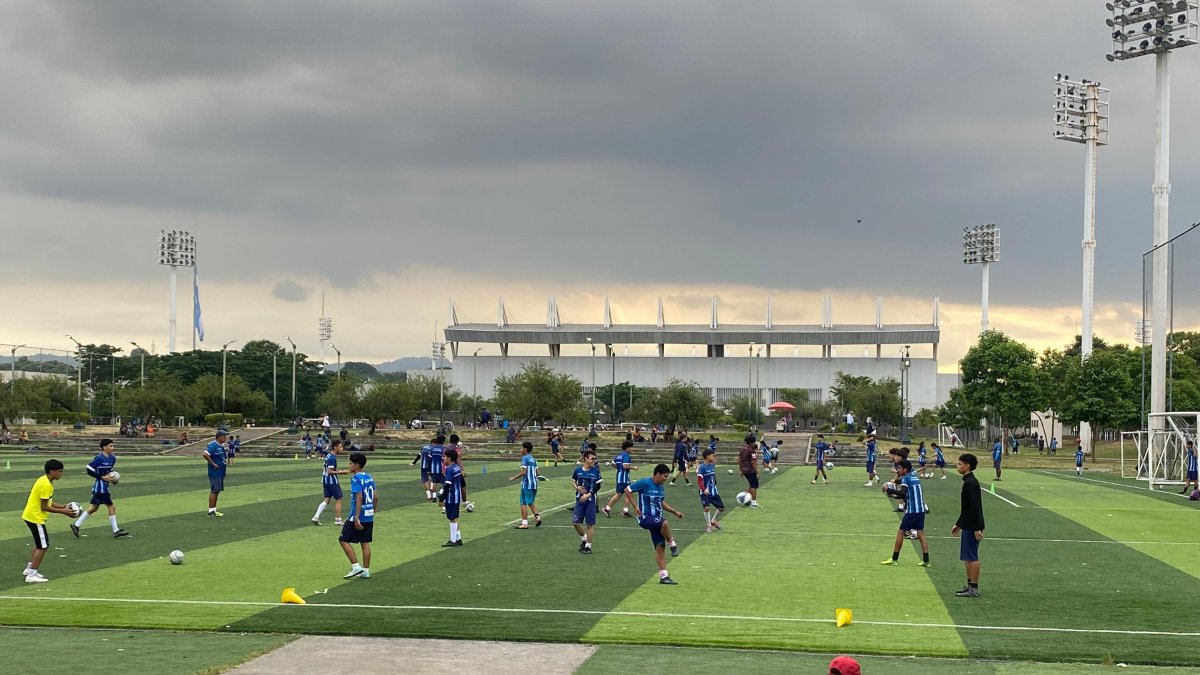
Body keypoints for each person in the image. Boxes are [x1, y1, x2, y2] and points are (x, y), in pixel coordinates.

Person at [626, 463, 684, 585]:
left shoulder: (661, 487)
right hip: (645, 518)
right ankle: (672, 544)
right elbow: (627, 490)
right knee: (665, 523)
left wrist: (675, 512)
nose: (666, 479)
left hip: (656, 520)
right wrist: (635, 506)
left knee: (660, 547)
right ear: (657, 474)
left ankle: (664, 576)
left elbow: (661, 503)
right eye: (665, 476)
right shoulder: (645, 483)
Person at [22, 459, 77, 583]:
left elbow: (47, 502)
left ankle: (29, 569)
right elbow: (44, 507)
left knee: (39, 544)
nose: (61, 474)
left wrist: (62, 506)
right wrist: (64, 512)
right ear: (52, 471)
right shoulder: (46, 485)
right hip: (35, 517)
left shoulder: (44, 480)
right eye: (60, 471)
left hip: (30, 515)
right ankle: (31, 575)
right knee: (43, 546)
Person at [71, 439, 129, 538]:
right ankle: (116, 530)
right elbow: (89, 470)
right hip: (100, 488)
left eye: (113, 446)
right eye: (110, 446)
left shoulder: (112, 458)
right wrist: (102, 477)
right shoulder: (99, 458)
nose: (112, 448)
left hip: (104, 486)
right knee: (111, 507)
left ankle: (76, 525)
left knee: (94, 507)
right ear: (104, 447)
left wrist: (113, 480)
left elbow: (110, 471)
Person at [881, 460, 930, 567]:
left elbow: (903, 492)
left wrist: (889, 490)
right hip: (921, 509)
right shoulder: (913, 476)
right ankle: (926, 561)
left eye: (899, 468)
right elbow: (906, 494)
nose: (898, 470)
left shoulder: (906, 478)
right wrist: (893, 493)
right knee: (920, 533)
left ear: (905, 469)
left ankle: (894, 559)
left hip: (912, 511)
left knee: (901, 532)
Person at [952, 453, 985, 597]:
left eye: (960, 464)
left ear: (967, 466)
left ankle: (974, 588)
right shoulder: (968, 482)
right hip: (968, 524)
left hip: (973, 525)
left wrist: (977, 528)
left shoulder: (970, 483)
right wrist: (959, 524)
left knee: (972, 556)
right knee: (967, 556)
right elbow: (966, 508)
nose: (957, 466)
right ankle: (970, 584)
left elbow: (975, 507)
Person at [339, 452, 376, 579]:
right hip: (369, 514)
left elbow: (359, 497)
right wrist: (372, 511)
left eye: (350, 463)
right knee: (365, 542)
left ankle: (355, 566)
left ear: (356, 465)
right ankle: (366, 570)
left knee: (343, 539)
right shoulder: (369, 477)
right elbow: (376, 497)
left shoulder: (356, 479)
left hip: (358, 515)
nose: (348, 466)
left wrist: (356, 516)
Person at [571, 450, 603, 554]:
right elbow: (573, 481)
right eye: (592, 458)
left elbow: (598, 486)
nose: (594, 460)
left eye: (595, 459)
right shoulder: (578, 470)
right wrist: (577, 488)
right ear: (585, 458)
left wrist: (589, 494)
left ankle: (588, 547)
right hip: (579, 500)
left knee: (589, 524)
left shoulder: (596, 471)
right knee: (576, 523)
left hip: (590, 501)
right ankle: (584, 539)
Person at [312, 440, 348, 525]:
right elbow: (330, 471)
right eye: (340, 447)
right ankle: (338, 519)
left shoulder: (329, 455)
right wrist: (341, 472)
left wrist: (340, 471)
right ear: (335, 447)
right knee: (338, 499)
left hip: (325, 480)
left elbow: (331, 469)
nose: (342, 448)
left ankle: (316, 517)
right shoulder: (332, 457)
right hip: (332, 481)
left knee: (326, 500)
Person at [509, 441, 543, 528]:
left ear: (525, 449)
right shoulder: (533, 459)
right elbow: (538, 473)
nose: (520, 450)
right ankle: (537, 517)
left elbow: (523, 472)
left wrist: (513, 478)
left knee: (523, 502)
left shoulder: (525, 458)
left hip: (527, 483)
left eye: (521, 448)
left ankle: (524, 523)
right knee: (530, 501)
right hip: (534, 484)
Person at [603, 440, 638, 518]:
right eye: (631, 447)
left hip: (620, 477)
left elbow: (612, 464)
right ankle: (608, 508)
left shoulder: (619, 456)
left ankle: (624, 510)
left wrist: (619, 468)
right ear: (627, 448)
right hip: (624, 478)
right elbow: (625, 466)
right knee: (623, 493)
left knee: (625, 493)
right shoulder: (626, 456)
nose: (632, 449)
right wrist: (634, 467)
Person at [440, 448, 466, 547]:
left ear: (449, 458)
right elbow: (463, 483)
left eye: (445, 457)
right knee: (454, 517)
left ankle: (453, 540)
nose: (443, 458)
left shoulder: (450, 469)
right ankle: (458, 538)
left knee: (452, 518)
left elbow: (447, 486)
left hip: (451, 497)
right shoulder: (456, 467)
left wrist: (441, 499)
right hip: (457, 496)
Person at [696, 448, 726, 532]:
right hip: (704, 492)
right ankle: (708, 525)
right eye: (713, 456)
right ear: (707, 457)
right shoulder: (702, 467)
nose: (714, 457)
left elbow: (712, 475)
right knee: (706, 508)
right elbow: (700, 480)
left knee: (721, 508)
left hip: (713, 491)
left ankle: (713, 521)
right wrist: (703, 489)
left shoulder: (712, 465)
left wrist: (715, 482)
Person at [203, 430, 229, 516]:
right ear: (219, 437)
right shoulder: (213, 445)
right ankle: (211, 511)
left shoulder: (219, 445)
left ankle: (213, 510)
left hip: (220, 472)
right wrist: (213, 463)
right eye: (224, 436)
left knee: (217, 491)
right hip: (215, 472)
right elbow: (205, 454)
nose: (225, 438)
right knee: (214, 491)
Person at [738, 434, 761, 507]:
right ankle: (753, 503)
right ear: (751, 443)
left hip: (744, 470)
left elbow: (739, 460)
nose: (755, 443)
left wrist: (741, 470)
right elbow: (753, 462)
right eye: (754, 442)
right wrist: (757, 472)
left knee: (751, 484)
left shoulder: (742, 449)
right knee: (754, 486)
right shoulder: (752, 450)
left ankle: (744, 498)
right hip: (750, 470)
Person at [428, 435, 447, 510]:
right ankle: (441, 494)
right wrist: (445, 468)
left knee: (434, 482)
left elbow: (429, 459)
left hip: (433, 468)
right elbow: (444, 459)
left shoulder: (432, 448)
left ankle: (434, 497)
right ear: (443, 441)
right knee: (445, 483)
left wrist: (429, 469)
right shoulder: (443, 448)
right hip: (441, 469)